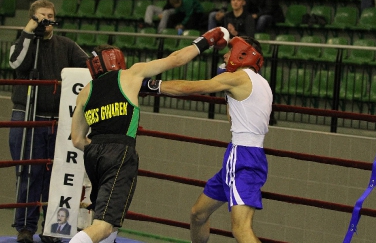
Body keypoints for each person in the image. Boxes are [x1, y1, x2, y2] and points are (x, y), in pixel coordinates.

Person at [69, 27, 229, 243]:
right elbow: (176, 59)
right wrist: (205, 41)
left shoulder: (86, 90)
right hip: (119, 153)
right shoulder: (131, 74)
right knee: (104, 226)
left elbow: (78, 139)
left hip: (93, 153)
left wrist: (99, 148)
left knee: (109, 219)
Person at [145, 35, 272, 243]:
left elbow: (190, 87)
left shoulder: (239, 78)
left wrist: (153, 86)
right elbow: (234, 118)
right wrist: (227, 94)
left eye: (230, 51)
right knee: (198, 214)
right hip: (241, 157)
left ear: (242, 54)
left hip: (243, 158)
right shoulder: (262, 83)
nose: (225, 54)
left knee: (241, 230)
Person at [8, 0, 88, 243]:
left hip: (58, 121)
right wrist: (28, 32)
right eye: (42, 15)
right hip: (27, 116)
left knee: (56, 175)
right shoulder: (23, 42)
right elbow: (15, 62)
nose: (47, 20)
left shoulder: (66, 45)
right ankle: (25, 227)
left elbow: (89, 67)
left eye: (50, 15)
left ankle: (53, 227)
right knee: (29, 174)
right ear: (33, 17)